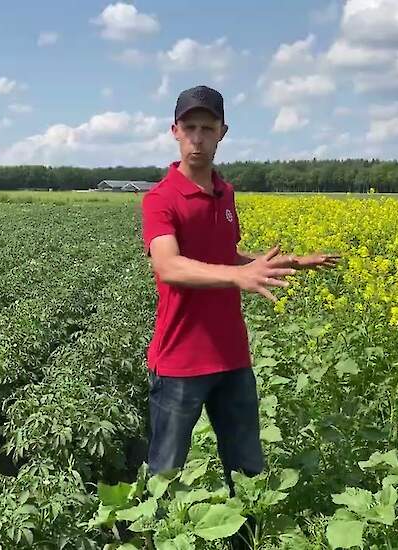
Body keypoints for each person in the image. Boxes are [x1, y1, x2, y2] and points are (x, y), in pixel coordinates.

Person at [140, 85, 340, 547]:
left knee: (248, 471)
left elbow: (225, 255)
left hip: (232, 358)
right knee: (164, 474)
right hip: (179, 361)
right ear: (174, 132)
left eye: (206, 128)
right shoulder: (161, 199)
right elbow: (167, 266)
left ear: (222, 133)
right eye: (188, 128)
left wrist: (285, 263)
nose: (197, 137)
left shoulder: (225, 194)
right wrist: (239, 277)